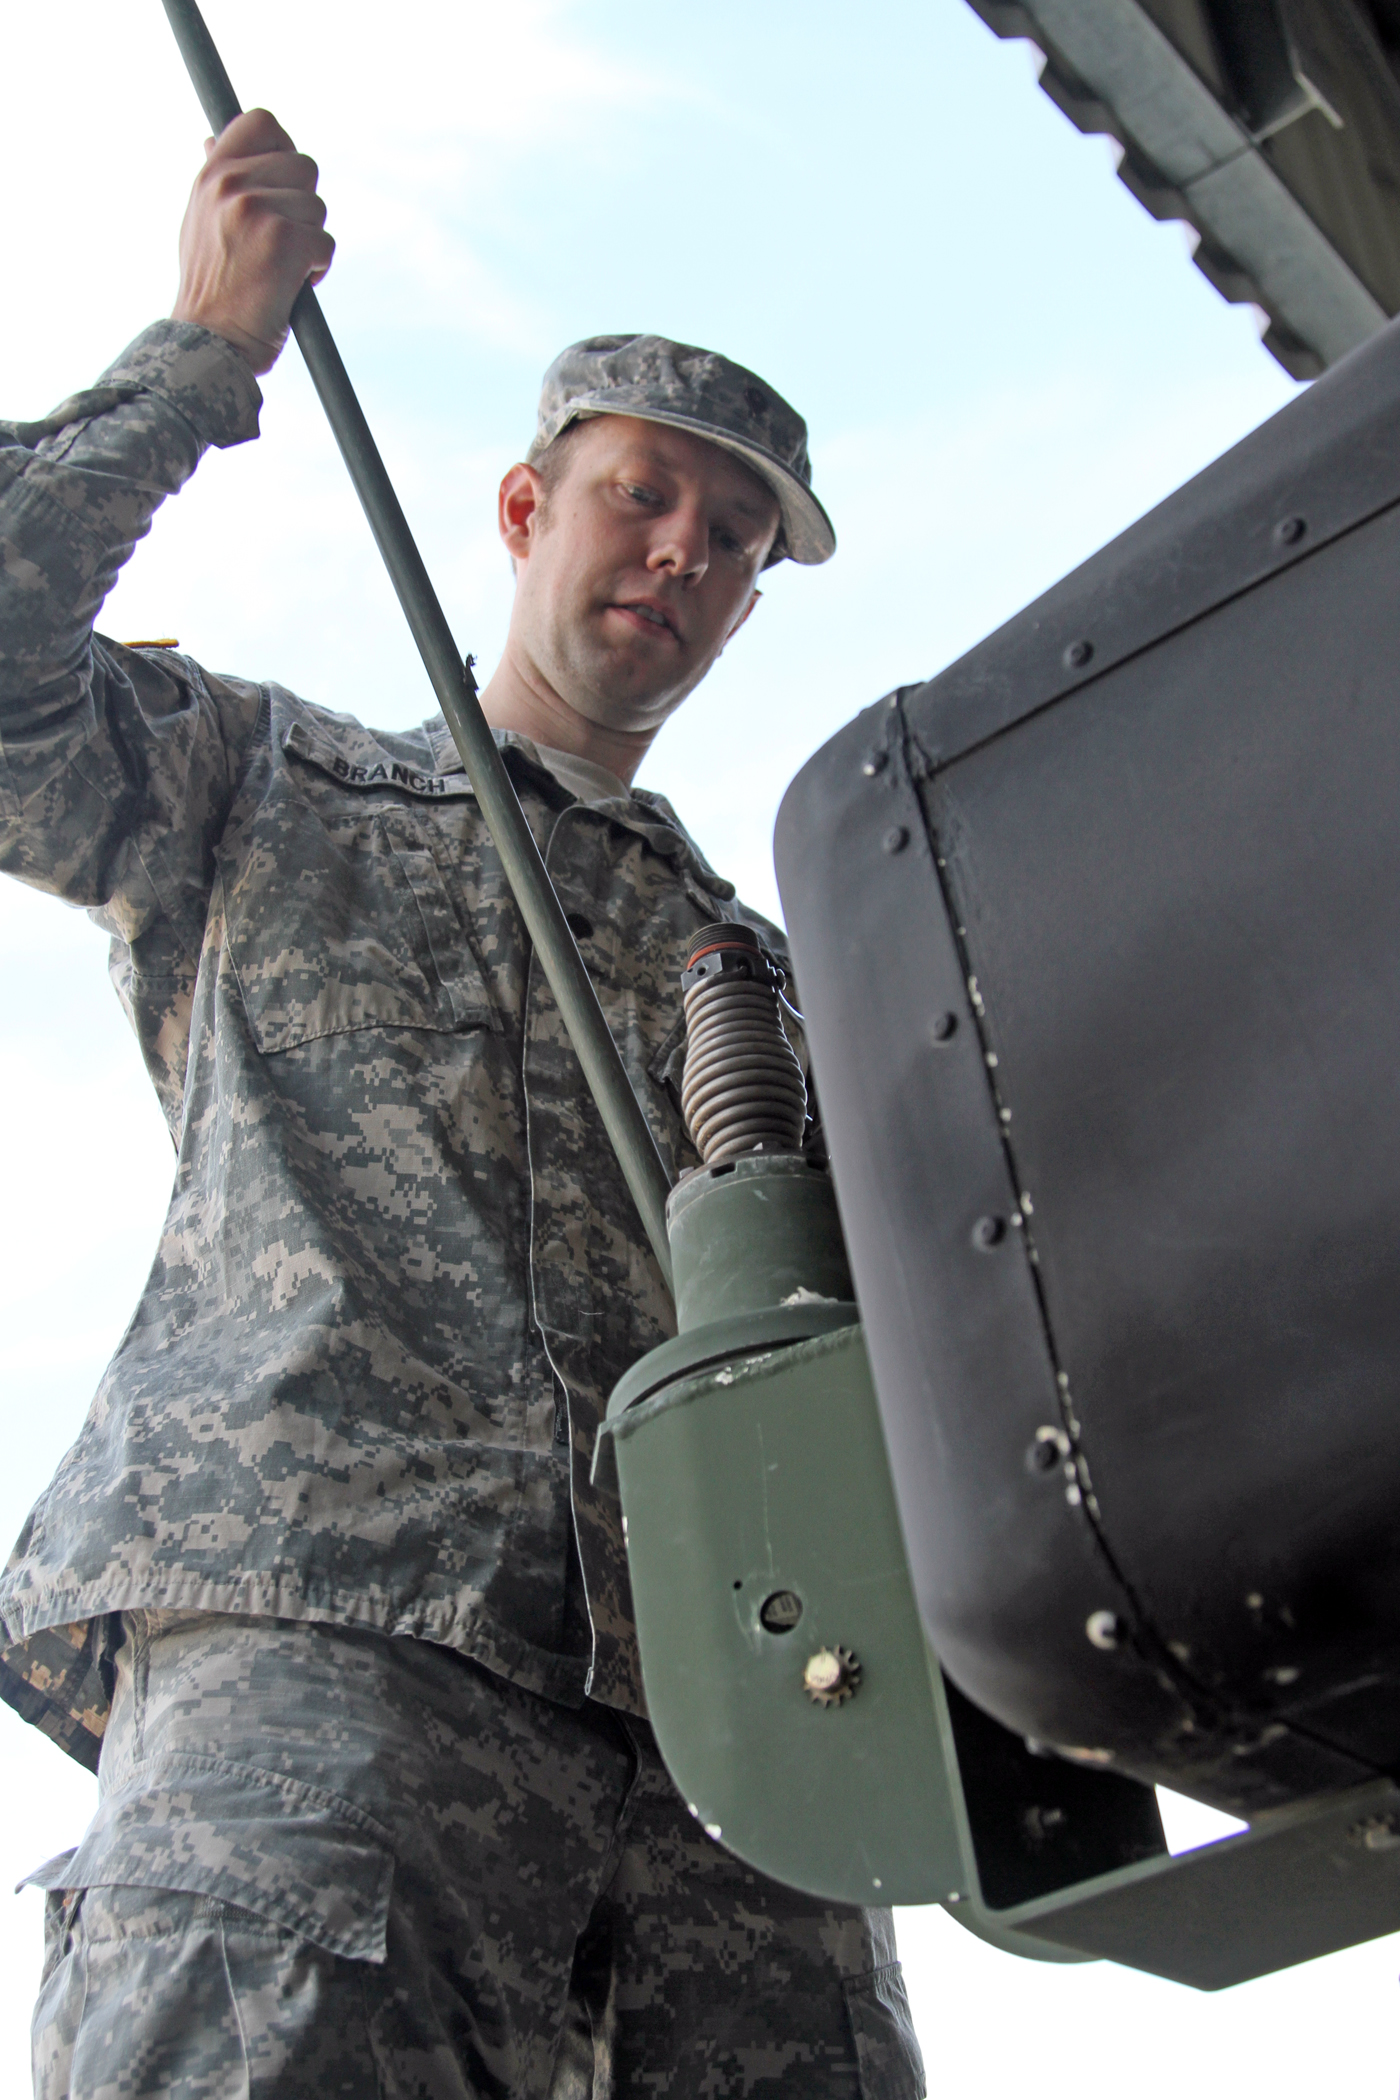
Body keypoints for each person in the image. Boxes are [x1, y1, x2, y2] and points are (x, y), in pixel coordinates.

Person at [0, 110, 925, 2098]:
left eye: (732, 538)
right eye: (643, 495)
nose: (681, 551)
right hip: (330, 1684)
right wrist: (202, 354)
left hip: (740, 1751)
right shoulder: (264, 793)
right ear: (524, 511)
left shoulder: (794, 983)